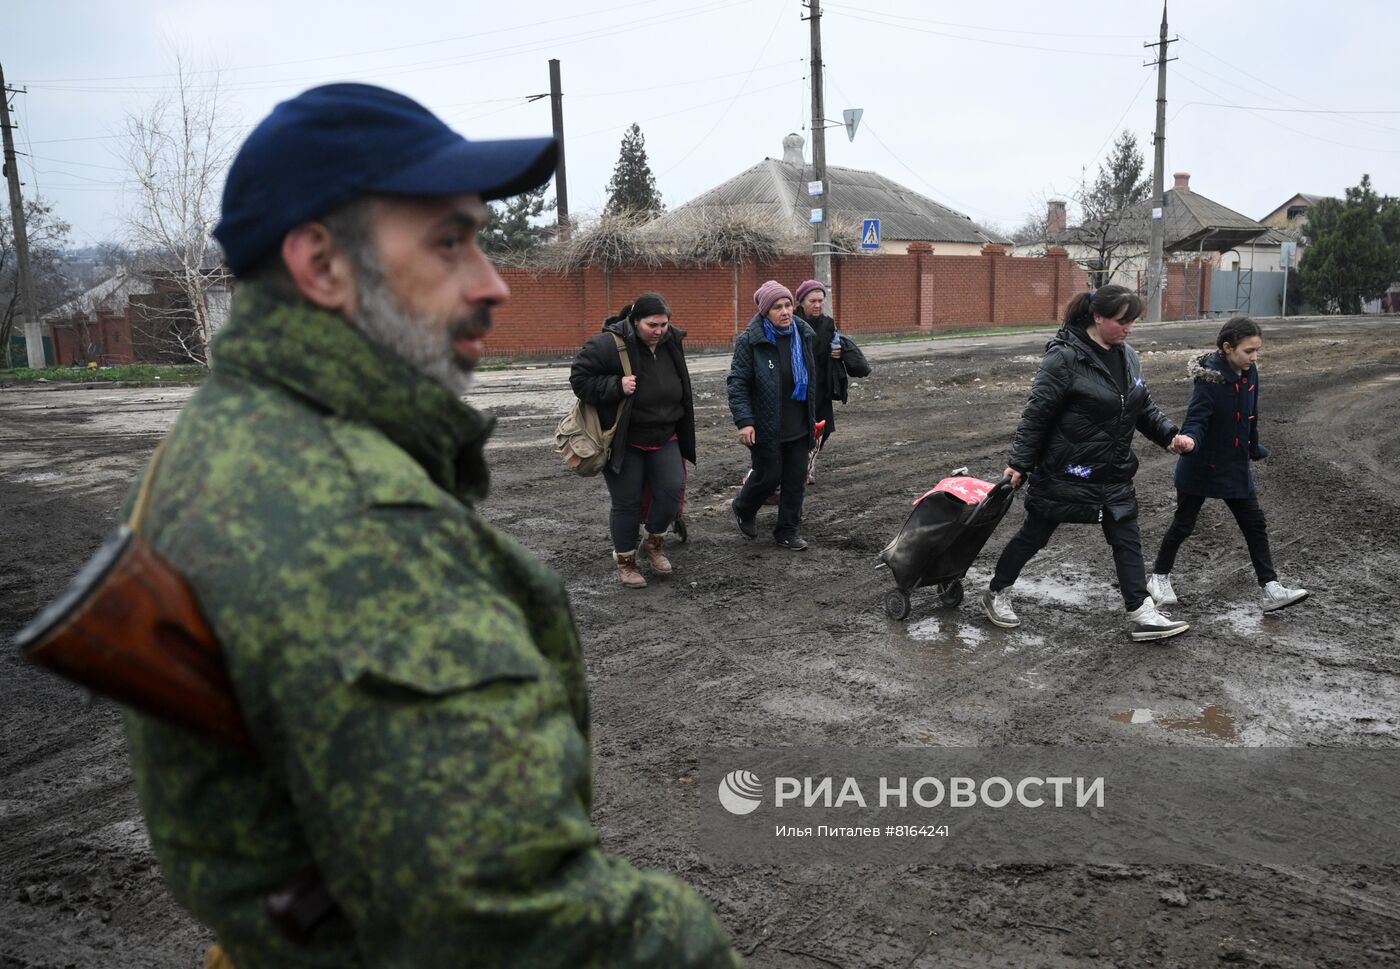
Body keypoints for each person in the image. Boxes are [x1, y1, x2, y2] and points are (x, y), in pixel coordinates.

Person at [122, 84, 740, 968]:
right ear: (323, 266)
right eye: (449, 243)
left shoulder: (237, 432)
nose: (491, 282)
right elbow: (504, 912)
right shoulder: (353, 517)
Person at [981, 285, 1195, 642]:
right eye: (1122, 321)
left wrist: (1169, 435)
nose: (1129, 328)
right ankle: (996, 593)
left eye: (1133, 322)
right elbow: (1037, 414)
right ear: (1098, 317)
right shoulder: (1064, 358)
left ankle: (1142, 611)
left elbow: (1140, 405)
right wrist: (1019, 463)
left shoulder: (1128, 357)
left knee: (1126, 537)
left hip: (1113, 471)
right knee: (1035, 534)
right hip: (1069, 469)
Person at [1147, 316, 1309, 613]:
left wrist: (1253, 446)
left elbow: (1251, 414)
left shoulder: (1250, 372)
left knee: (1254, 524)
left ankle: (1270, 589)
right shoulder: (1210, 380)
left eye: (1257, 350)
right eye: (1249, 351)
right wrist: (1189, 441)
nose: (1254, 357)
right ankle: (1158, 577)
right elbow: (1196, 419)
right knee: (1183, 524)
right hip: (1201, 465)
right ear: (1227, 347)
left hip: (1234, 465)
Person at [569, 293, 695, 588]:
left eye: (664, 324)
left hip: (665, 434)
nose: (659, 330)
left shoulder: (671, 342)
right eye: (653, 324)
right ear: (635, 321)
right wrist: (615, 385)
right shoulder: (609, 345)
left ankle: (653, 544)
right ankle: (626, 562)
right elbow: (579, 379)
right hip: (626, 439)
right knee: (627, 502)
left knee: (671, 492)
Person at [728, 280, 818, 550]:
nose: (785, 311)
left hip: (799, 422)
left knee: (795, 480)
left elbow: (812, 380)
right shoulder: (751, 341)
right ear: (765, 311)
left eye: (788, 305)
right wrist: (745, 422)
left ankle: (788, 531)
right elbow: (738, 382)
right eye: (777, 307)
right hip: (767, 425)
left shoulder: (803, 335)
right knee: (768, 476)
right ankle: (744, 506)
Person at [792, 279, 871, 483]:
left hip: (822, 385)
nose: (817, 305)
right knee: (797, 429)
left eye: (820, 300)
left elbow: (834, 345)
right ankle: (797, 466)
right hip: (797, 387)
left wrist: (839, 350)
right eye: (812, 301)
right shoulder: (792, 322)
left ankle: (809, 462)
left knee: (822, 430)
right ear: (801, 301)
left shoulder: (828, 324)